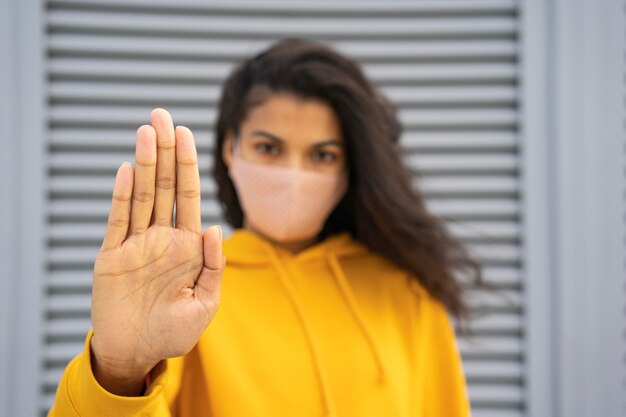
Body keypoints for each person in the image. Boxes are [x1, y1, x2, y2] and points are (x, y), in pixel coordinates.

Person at [47, 38, 482, 417]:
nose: (294, 174)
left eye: (323, 155)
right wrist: (119, 372)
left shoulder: (407, 296)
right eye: (268, 147)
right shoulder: (183, 292)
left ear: (351, 168)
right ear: (230, 150)